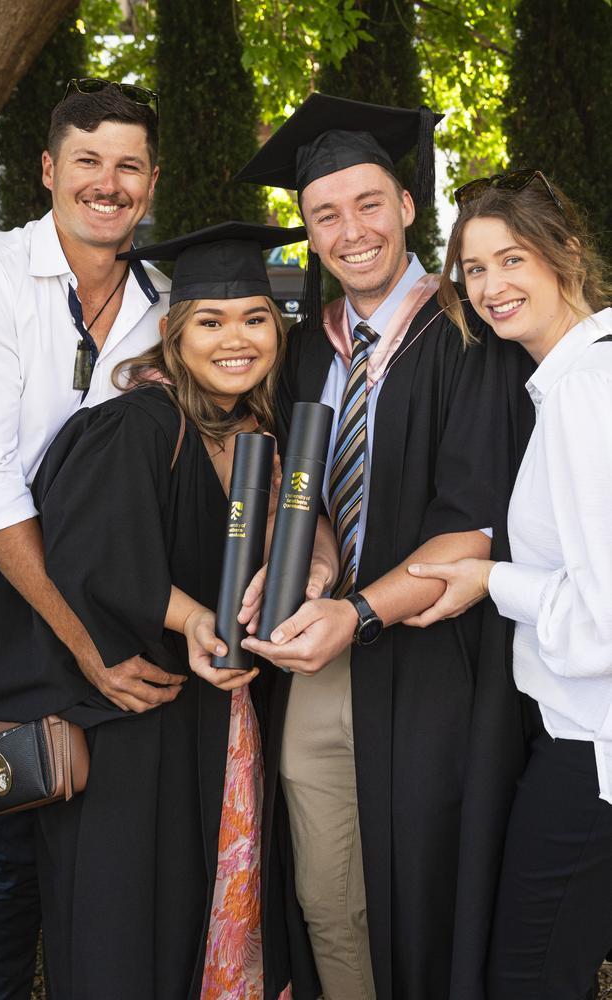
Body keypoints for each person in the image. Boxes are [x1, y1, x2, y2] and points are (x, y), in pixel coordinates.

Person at [0, 221, 325, 1000]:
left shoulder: (257, 430)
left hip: (224, 715)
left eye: (255, 319)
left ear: (279, 327)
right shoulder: (138, 423)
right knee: (129, 922)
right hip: (139, 715)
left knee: (214, 906)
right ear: (172, 333)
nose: (236, 339)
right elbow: (89, 555)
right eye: (210, 321)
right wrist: (194, 618)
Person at [235, 93, 536, 1000]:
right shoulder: (309, 349)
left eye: (370, 203)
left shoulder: (473, 335)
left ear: (408, 207)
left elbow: (473, 526)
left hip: (442, 658)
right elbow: (311, 484)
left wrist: (357, 608)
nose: (351, 229)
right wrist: (320, 554)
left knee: (427, 877)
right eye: (326, 213)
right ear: (309, 231)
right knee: (328, 887)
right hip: (328, 656)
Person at [0, 79, 170, 998]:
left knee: (32, 839)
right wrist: (84, 644)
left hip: (86, 609)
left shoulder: (163, 302)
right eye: (88, 160)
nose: (107, 182)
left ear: (152, 183)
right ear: (48, 169)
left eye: (128, 165)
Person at [404, 169, 612, 1000]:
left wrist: (493, 578)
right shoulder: (575, 380)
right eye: (474, 268)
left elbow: (605, 621)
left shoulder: (585, 396)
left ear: (565, 253)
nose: (491, 287)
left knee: (526, 976)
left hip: (591, 750)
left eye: (511, 259)